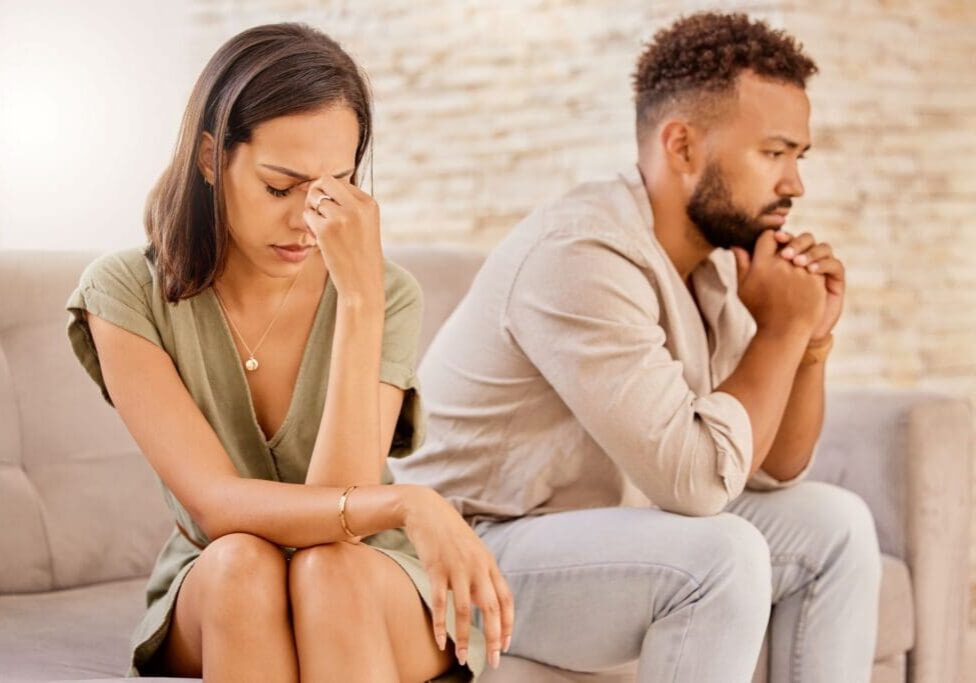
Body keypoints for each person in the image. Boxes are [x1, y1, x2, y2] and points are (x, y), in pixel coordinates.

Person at [391, 12, 881, 683]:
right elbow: (700, 481)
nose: (795, 184)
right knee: (722, 553)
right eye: (774, 153)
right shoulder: (583, 251)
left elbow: (769, 468)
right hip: (462, 554)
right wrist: (781, 331)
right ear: (681, 146)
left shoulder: (710, 262)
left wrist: (810, 341)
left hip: (587, 540)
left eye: (800, 156)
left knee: (838, 524)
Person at [66, 23, 512, 682]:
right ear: (212, 158)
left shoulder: (386, 294)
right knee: (243, 564)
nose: (311, 218)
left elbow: (343, 520)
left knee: (329, 570)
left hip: (363, 570)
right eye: (282, 185)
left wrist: (358, 302)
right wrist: (411, 503)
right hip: (219, 574)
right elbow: (216, 507)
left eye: (336, 185)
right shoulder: (126, 291)